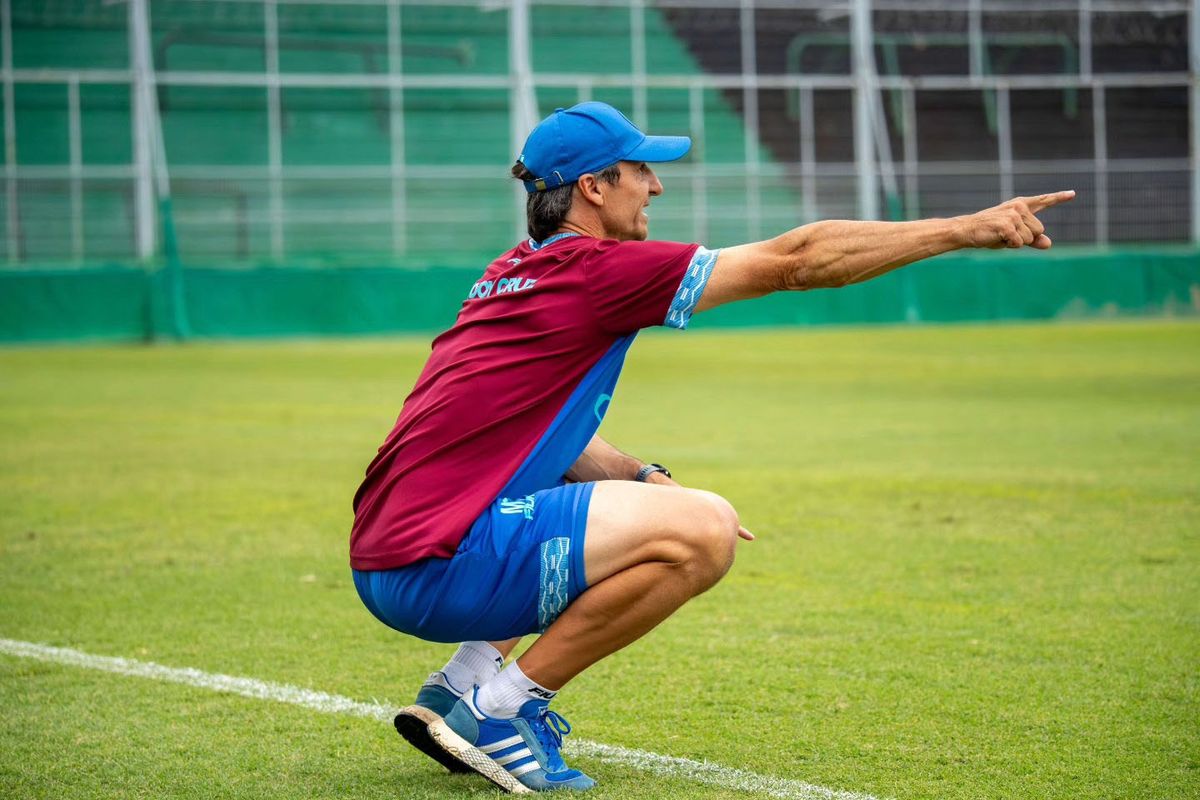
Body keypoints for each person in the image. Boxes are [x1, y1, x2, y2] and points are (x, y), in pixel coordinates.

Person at [349, 101, 1074, 794]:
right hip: (438, 564)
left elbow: (540, 428)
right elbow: (798, 260)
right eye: (641, 170)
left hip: (396, 557)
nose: (656, 185)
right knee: (706, 531)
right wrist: (963, 229)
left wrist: (641, 477)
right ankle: (501, 709)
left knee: (639, 510)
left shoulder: (513, 273)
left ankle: (458, 687)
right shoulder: (596, 272)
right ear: (593, 189)